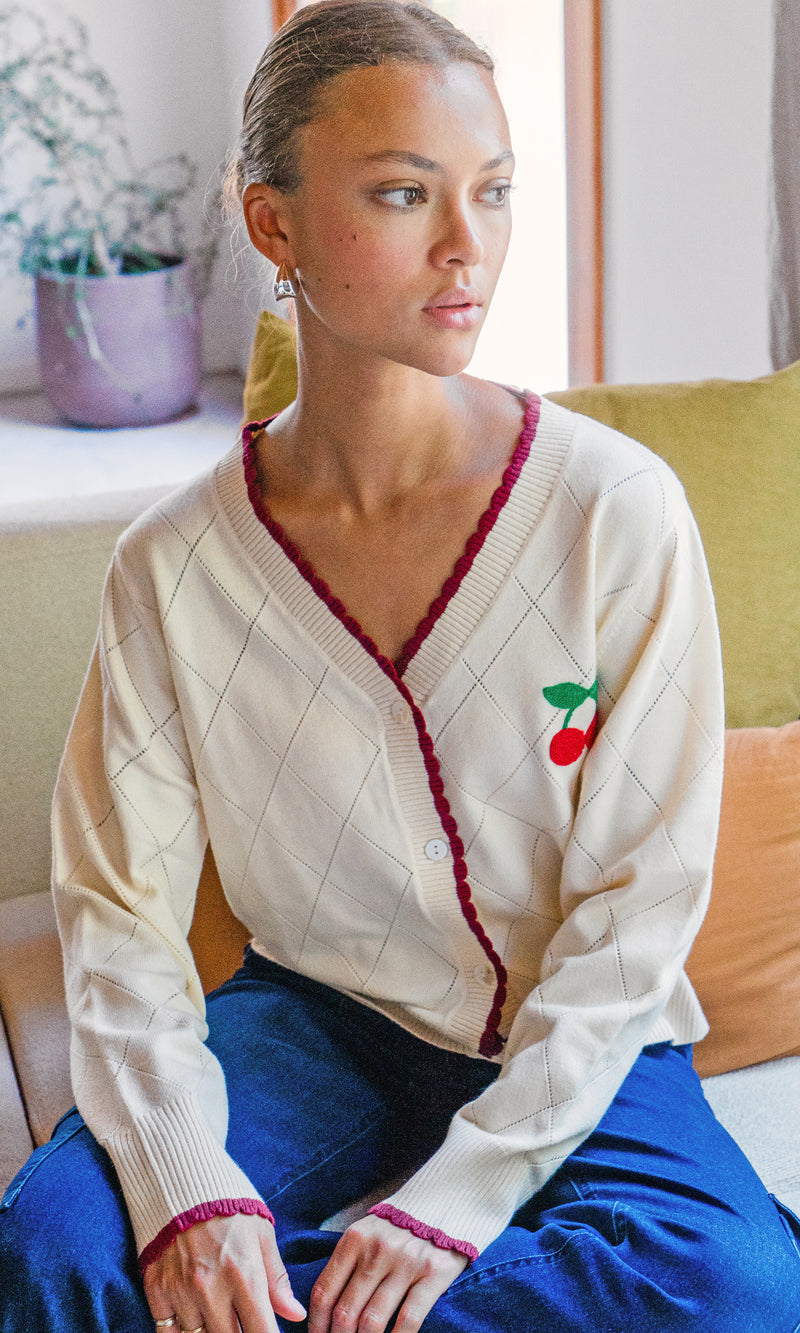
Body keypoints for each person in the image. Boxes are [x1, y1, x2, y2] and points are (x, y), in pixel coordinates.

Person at [2, 3, 799, 1331]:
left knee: (735, 1286)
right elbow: (121, 923)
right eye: (399, 193)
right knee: (57, 1247)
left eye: (492, 192)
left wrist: (463, 1198)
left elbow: (638, 907)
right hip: (315, 1020)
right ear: (274, 224)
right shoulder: (173, 565)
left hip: (585, 1030)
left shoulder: (617, 511)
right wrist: (192, 1192)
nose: (464, 245)